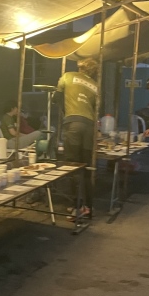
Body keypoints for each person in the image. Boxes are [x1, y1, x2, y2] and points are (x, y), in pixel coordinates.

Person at [56, 58, 99, 216]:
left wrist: (65, 111)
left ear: (80, 66)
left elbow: (56, 97)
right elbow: (95, 108)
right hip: (89, 126)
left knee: (72, 165)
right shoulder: (95, 85)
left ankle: (76, 206)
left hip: (73, 123)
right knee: (86, 166)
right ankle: (88, 206)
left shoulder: (68, 76)